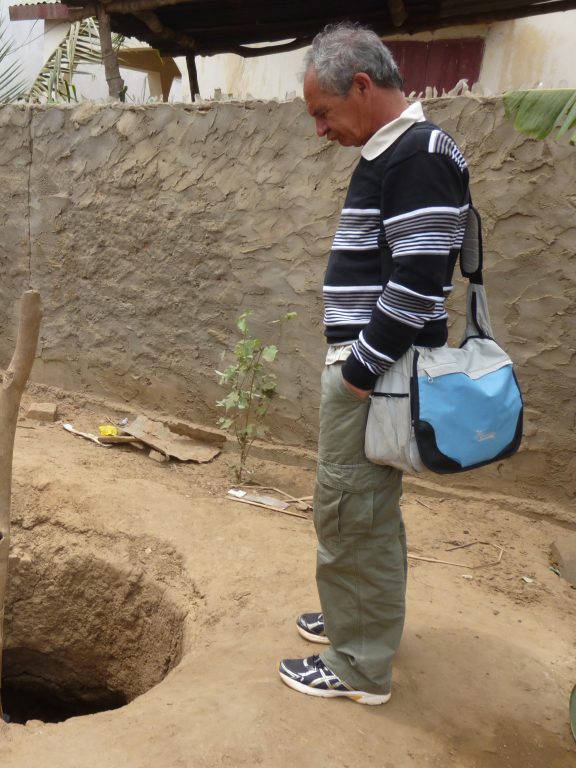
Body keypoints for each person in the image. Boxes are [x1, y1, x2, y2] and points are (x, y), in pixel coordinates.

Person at [278, 22, 470, 705]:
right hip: (377, 368)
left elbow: (418, 280)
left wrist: (358, 372)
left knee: (348, 509)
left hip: (374, 374)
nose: (320, 129)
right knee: (365, 509)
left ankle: (359, 663)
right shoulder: (403, 150)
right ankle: (358, 619)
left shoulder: (416, 155)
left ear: (361, 85)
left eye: (323, 112)